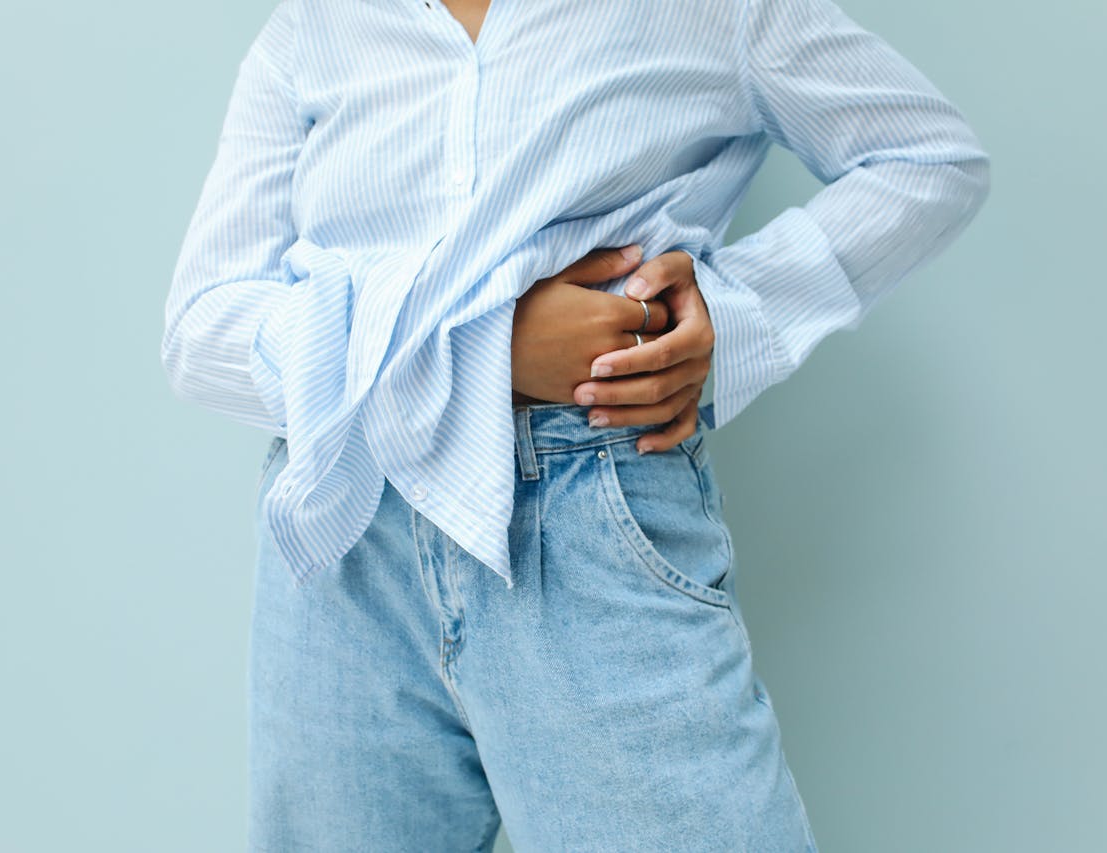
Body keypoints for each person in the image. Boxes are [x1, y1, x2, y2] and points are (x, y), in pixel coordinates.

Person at [161, 0, 990, 849]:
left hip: (590, 511)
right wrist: (491, 345)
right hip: (341, 546)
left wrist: (728, 315)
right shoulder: (314, 26)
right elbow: (199, 331)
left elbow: (930, 158)